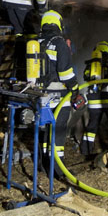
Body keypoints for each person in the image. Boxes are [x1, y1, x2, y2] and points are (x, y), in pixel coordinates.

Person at [37, 10, 79, 161]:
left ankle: (43, 164)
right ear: (58, 25)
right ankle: (57, 169)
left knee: (44, 131)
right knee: (58, 132)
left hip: (39, 95)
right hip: (59, 96)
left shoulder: (36, 42)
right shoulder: (59, 42)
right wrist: (75, 88)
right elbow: (65, 73)